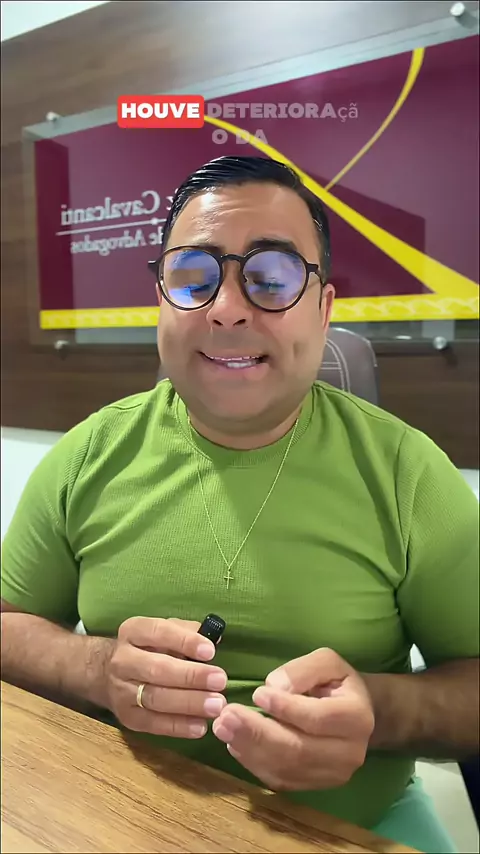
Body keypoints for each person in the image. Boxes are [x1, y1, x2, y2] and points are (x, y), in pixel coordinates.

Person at [1, 155, 478, 853]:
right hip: (117, 814)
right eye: (194, 277)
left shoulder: (409, 474)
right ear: (162, 300)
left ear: (323, 308)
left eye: (272, 278)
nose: (226, 308)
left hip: (351, 827)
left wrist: (378, 712)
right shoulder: (88, 455)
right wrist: (98, 670)